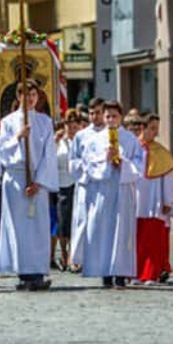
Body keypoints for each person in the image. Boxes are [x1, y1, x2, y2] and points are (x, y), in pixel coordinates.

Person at [0, 80, 60, 291]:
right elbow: (1, 151)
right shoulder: (8, 122)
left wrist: (39, 181)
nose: (31, 98)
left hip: (36, 179)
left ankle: (39, 272)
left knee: (38, 227)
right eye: (27, 94)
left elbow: (49, 154)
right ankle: (23, 272)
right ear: (19, 96)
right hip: (16, 179)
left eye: (34, 94)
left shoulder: (44, 122)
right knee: (19, 228)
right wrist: (17, 137)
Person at [79, 100, 142, 288]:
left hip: (123, 189)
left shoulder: (130, 139)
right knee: (103, 229)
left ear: (121, 117)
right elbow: (88, 165)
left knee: (122, 231)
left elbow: (139, 164)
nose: (111, 120)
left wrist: (122, 163)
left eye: (114, 116)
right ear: (103, 117)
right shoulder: (94, 140)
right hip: (103, 190)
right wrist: (105, 161)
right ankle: (105, 271)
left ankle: (121, 272)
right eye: (108, 116)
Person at [135, 114, 173, 284]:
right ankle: (135, 273)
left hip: (154, 201)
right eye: (152, 128)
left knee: (153, 240)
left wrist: (167, 201)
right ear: (142, 128)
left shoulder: (161, 152)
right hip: (135, 201)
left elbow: (169, 178)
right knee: (137, 239)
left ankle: (151, 273)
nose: (155, 132)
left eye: (157, 128)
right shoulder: (133, 148)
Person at [69, 97, 106, 271]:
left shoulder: (110, 134)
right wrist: (86, 168)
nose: (94, 117)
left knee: (102, 221)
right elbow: (73, 161)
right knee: (83, 220)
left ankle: (101, 258)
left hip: (104, 185)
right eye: (91, 113)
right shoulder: (81, 136)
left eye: (98, 113)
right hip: (86, 183)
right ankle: (80, 259)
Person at [54, 109, 82, 271]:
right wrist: (55, 142)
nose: (71, 129)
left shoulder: (80, 141)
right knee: (63, 222)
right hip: (61, 183)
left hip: (76, 183)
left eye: (74, 126)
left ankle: (74, 255)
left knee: (75, 220)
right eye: (68, 126)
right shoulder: (59, 141)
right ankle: (64, 253)